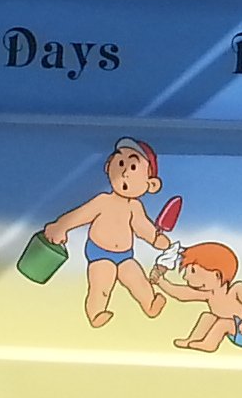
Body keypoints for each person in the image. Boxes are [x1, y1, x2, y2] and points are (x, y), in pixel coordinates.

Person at [41, 138, 174, 328]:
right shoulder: (103, 201)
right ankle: (96, 313)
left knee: (138, 279)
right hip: (100, 252)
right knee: (102, 283)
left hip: (125, 255)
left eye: (133, 167)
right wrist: (60, 227)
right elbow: (79, 216)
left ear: (151, 185)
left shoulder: (135, 207)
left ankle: (149, 303)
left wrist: (156, 238)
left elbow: (142, 226)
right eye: (120, 163)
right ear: (108, 166)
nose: (125, 172)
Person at [161, 241, 242, 352]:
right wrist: (161, 282)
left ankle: (209, 344)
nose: (185, 277)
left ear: (216, 274)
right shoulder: (209, 294)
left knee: (223, 323)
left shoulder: (237, 289)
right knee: (207, 316)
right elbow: (181, 294)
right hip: (234, 332)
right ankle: (192, 340)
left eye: (192, 271)